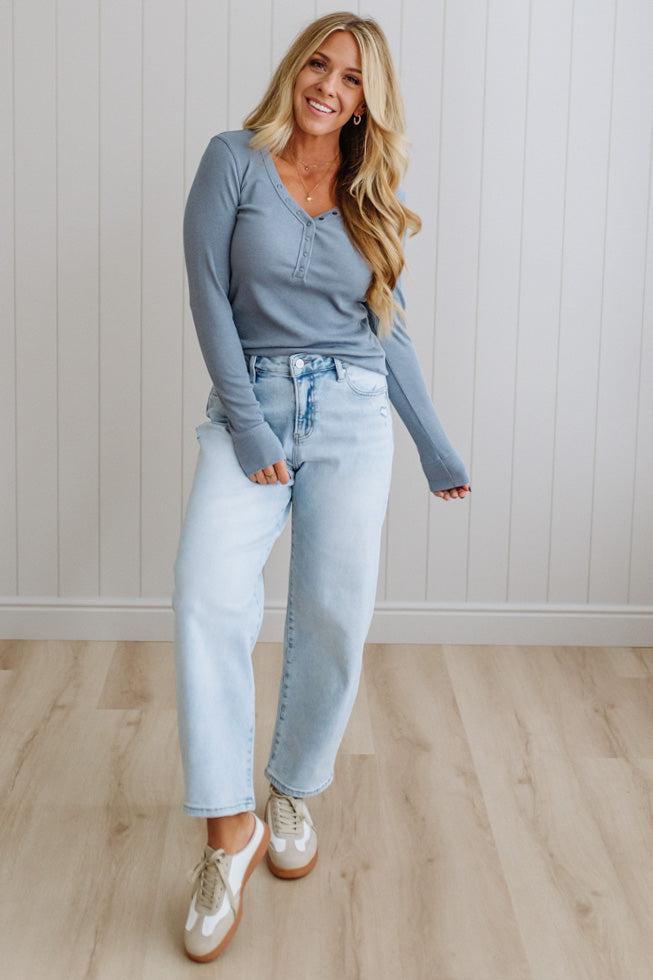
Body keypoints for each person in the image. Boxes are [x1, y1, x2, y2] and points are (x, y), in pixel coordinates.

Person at [173, 11, 471, 963]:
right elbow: (207, 297)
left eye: (350, 79)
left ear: (365, 104)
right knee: (206, 597)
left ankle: (291, 789)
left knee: (334, 613)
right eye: (319, 64)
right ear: (294, 70)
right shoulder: (232, 160)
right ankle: (228, 833)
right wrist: (250, 425)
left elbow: (388, 330)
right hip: (250, 406)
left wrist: (434, 448)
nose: (328, 86)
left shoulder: (367, 195)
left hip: (351, 413)